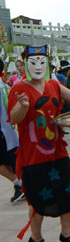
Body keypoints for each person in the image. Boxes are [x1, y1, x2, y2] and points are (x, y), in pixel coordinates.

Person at [7, 45, 70, 242]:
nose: (37, 65)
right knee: (37, 198)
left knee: (68, 191)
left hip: (57, 150)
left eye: (41, 61)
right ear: (25, 62)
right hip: (33, 154)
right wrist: (23, 106)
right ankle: (36, 238)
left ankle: (67, 233)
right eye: (32, 61)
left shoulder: (53, 84)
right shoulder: (18, 89)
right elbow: (13, 119)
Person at [0, 62, 24, 202]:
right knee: (10, 162)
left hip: (3, 131)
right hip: (10, 130)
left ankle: (19, 184)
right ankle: (19, 186)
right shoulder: (4, 86)